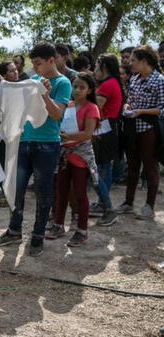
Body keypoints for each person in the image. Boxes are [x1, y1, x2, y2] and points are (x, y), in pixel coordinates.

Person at [0, 41, 72, 257]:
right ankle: (14, 229)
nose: (35, 68)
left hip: (47, 143)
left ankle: (38, 235)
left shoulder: (63, 83)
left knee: (43, 191)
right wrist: (4, 85)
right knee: (16, 188)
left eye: (38, 63)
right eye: (34, 64)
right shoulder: (33, 80)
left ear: (51, 60)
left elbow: (57, 115)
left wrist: (45, 95)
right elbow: (15, 96)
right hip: (24, 140)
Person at [46, 73, 100, 246]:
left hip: (80, 156)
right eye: (75, 86)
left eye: (82, 87)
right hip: (64, 155)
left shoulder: (91, 108)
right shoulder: (68, 106)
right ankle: (58, 224)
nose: (77, 90)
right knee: (61, 192)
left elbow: (87, 134)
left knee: (79, 194)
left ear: (89, 90)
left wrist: (66, 136)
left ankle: (82, 230)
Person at [115, 45, 164, 219]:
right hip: (132, 128)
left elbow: (161, 108)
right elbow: (130, 99)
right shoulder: (135, 78)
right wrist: (128, 106)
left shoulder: (159, 80)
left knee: (150, 167)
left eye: (134, 60)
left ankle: (149, 206)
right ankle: (128, 202)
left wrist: (141, 112)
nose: (130, 63)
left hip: (149, 129)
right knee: (133, 166)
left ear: (144, 61)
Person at [88, 53, 123, 226]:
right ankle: (103, 204)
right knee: (104, 168)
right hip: (108, 129)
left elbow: (96, 107)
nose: (94, 70)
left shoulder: (107, 85)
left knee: (96, 170)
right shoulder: (113, 83)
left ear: (105, 68)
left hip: (103, 130)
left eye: (97, 66)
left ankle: (109, 208)